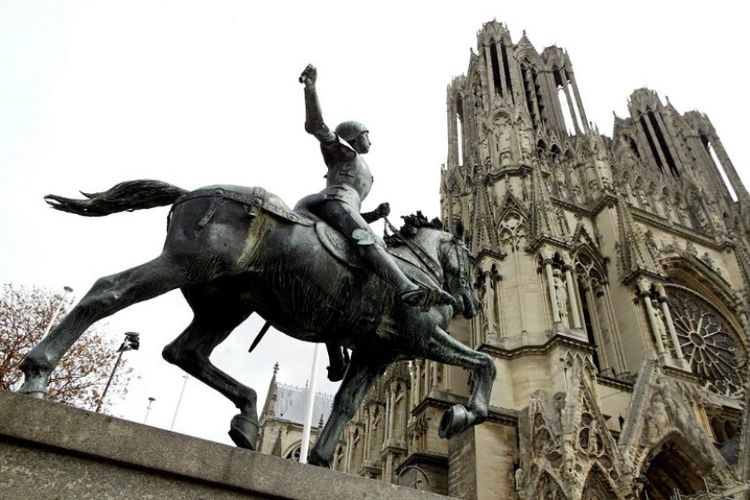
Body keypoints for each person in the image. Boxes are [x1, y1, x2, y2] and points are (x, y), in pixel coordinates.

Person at [296, 64, 455, 312]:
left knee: (364, 248)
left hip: (341, 207)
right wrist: (311, 90)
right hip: (333, 201)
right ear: (355, 137)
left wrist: (375, 215)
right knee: (371, 242)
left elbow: (350, 217)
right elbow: (316, 126)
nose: (370, 140)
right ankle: (406, 287)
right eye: (367, 135)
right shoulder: (344, 152)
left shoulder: (358, 163)